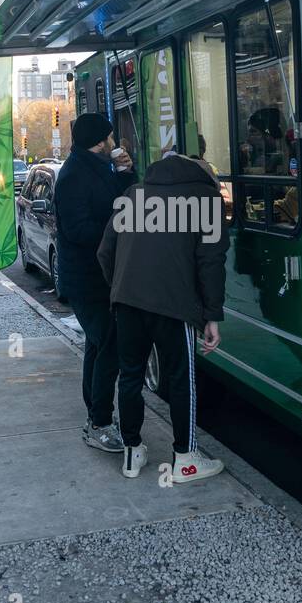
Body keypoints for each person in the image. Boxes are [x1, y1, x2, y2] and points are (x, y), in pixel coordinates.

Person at [98, 154, 228, 483]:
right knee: (181, 379)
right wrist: (212, 315)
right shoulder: (207, 199)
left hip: (127, 301)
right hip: (174, 306)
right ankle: (185, 459)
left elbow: (105, 251)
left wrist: (120, 286)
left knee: (129, 375)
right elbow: (210, 261)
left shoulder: (132, 195)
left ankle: (131, 452)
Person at [53, 112, 135, 453]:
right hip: (86, 278)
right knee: (111, 345)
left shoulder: (97, 167)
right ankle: (100, 422)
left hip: (101, 274)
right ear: (98, 142)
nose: (114, 144)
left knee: (98, 344)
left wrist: (126, 172)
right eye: (110, 139)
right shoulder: (73, 175)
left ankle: (94, 416)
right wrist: (116, 230)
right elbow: (77, 230)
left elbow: (122, 199)